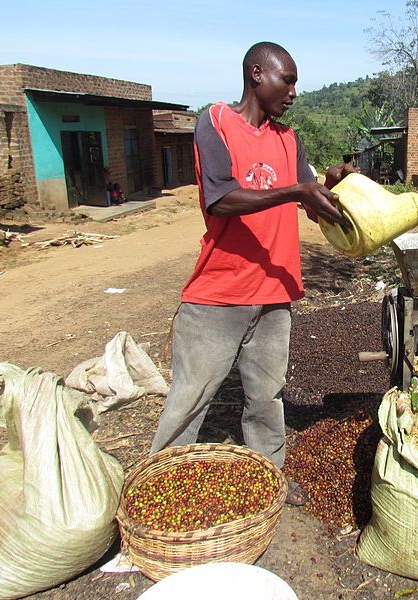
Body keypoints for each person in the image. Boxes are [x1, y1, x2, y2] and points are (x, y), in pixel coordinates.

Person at [150, 41, 354, 506]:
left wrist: (331, 185)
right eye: (289, 80)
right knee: (190, 398)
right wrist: (296, 191)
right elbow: (220, 199)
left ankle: (270, 476)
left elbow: (306, 197)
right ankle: (158, 486)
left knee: (266, 397)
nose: (295, 92)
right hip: (219, 294)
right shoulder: (216, 121)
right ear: (258, 74)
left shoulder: (289, 139)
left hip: (275, 292)